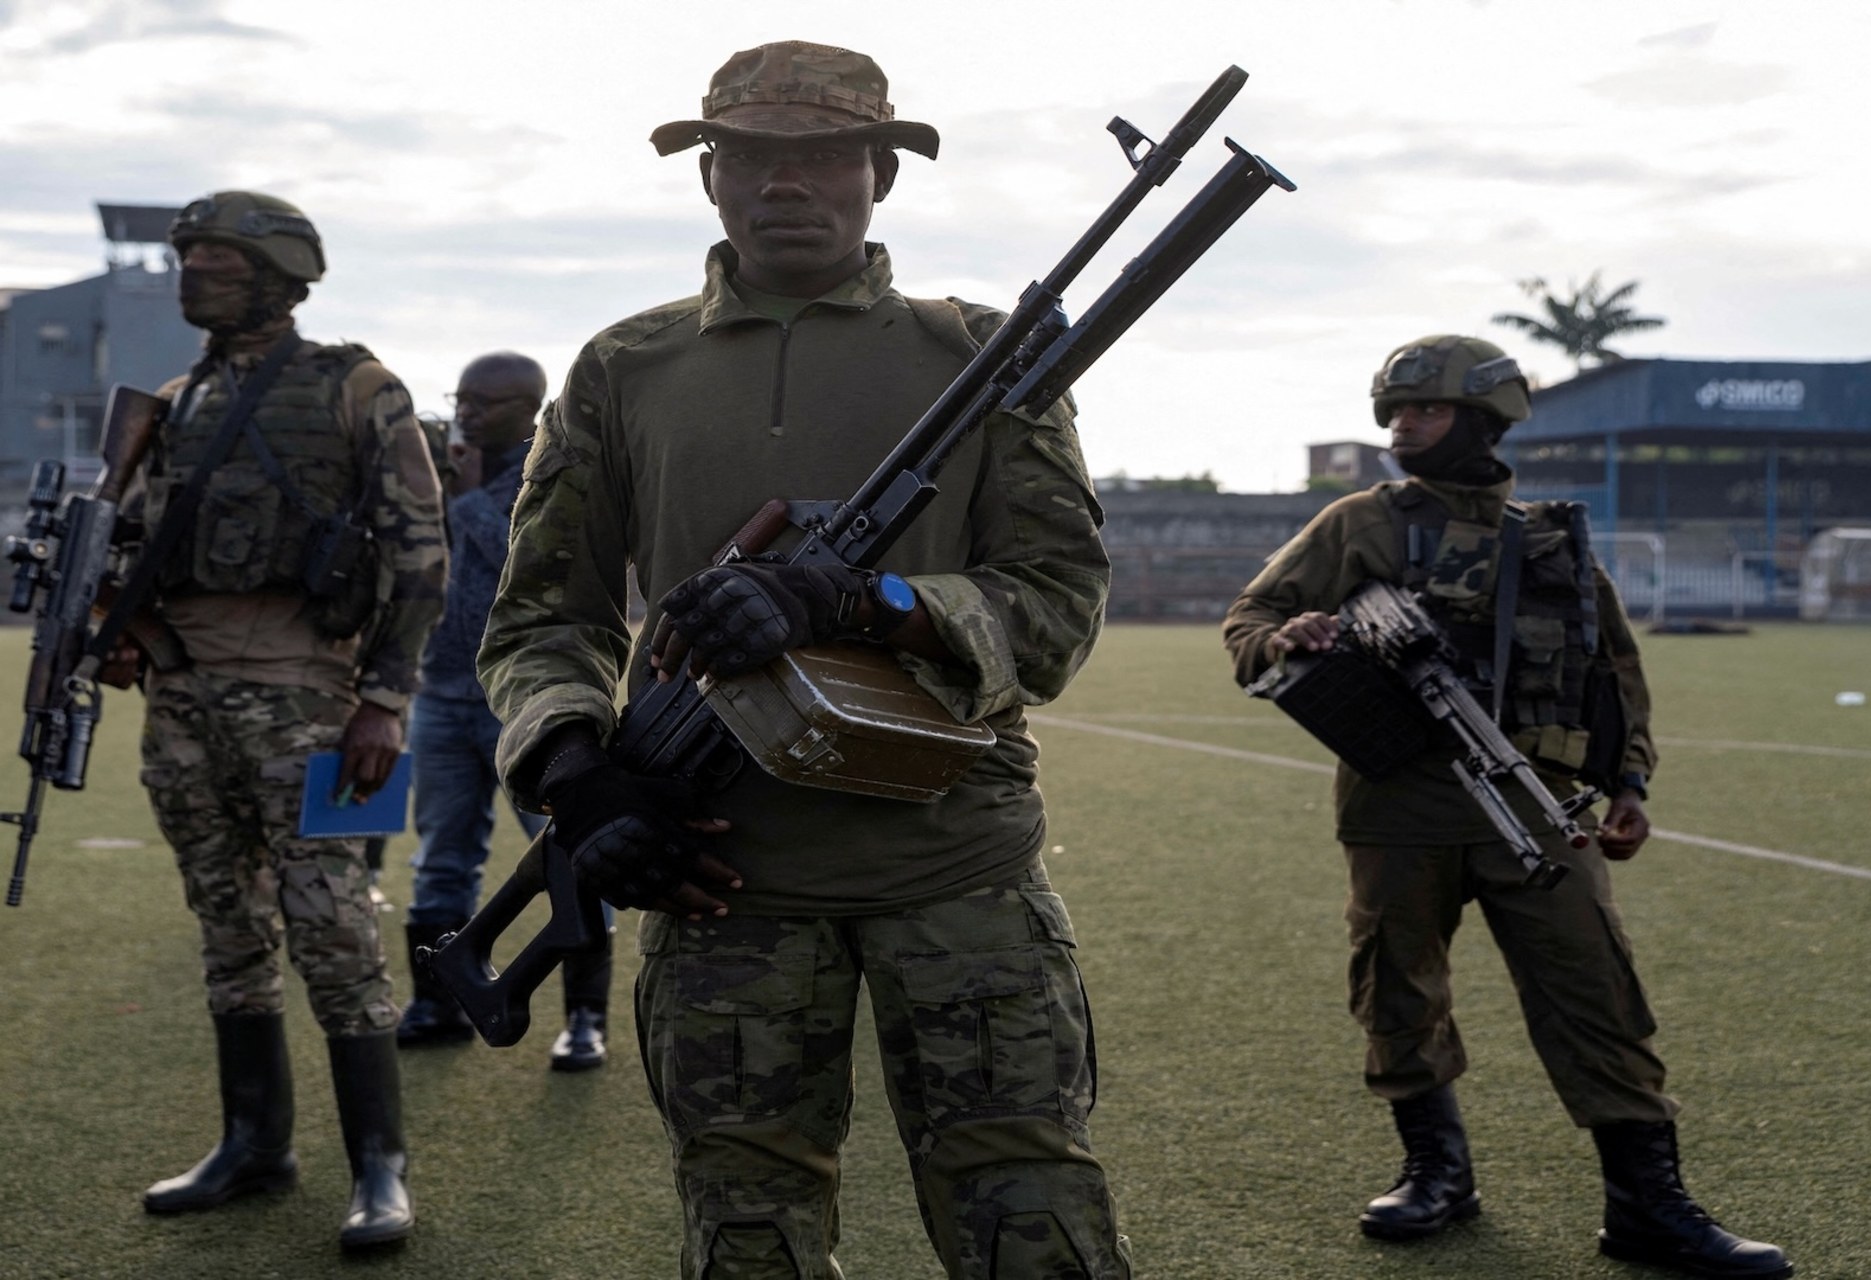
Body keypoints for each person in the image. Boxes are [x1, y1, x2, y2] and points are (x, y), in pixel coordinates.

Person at [475, 41, 1131, 1279]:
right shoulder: (623, 368)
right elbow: (540, 619)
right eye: (757, 156)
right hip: (724, 874)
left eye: (825, 153)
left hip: (956, 863)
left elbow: (1053, 608)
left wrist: (867, 597)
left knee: (1032, 1216)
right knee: (746, 1228)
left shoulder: (986, 356)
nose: (790, 182)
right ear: (709, 176)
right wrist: (577, 773)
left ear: (881, 172)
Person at [1222, 335, 1792, 1279]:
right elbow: (1247, 622)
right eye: (1395, 413)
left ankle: (1646, 1204)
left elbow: (1611, 670)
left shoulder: (1548, 535)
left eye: (1426, 410)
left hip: (1538, 804)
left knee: (1596, 990)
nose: (1403, 426)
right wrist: (1290, 633)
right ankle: (1436, 1173)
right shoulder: (1358, 522)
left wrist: (1632, 782)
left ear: (1484, 421)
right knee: (1399, 988)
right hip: (1398, 802)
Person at [127, 191, 446, 1249]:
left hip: (318, 703)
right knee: (227, 926)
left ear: (278, 272)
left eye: (217, 258)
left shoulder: (358, 386)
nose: (193, 273)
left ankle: (379, 1168)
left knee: (335, 926)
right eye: (188, 257)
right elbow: (131, 548)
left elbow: (417, 552)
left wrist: (386, 699)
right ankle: (253, 1143)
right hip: (184, 704)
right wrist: (119, 627)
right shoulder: (171, 402)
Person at [395, 351, 614, 1071]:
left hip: (523, 702)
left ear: (528, 406)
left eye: (483, 403)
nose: (466, 413)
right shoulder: (443, 469)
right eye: (461, 399)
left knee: (575, 856)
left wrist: (460, 499)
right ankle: (437, 1003)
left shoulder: (545, 470)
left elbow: (525, 569)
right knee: (440, 860)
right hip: (438, 695)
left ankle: (584, 1021)